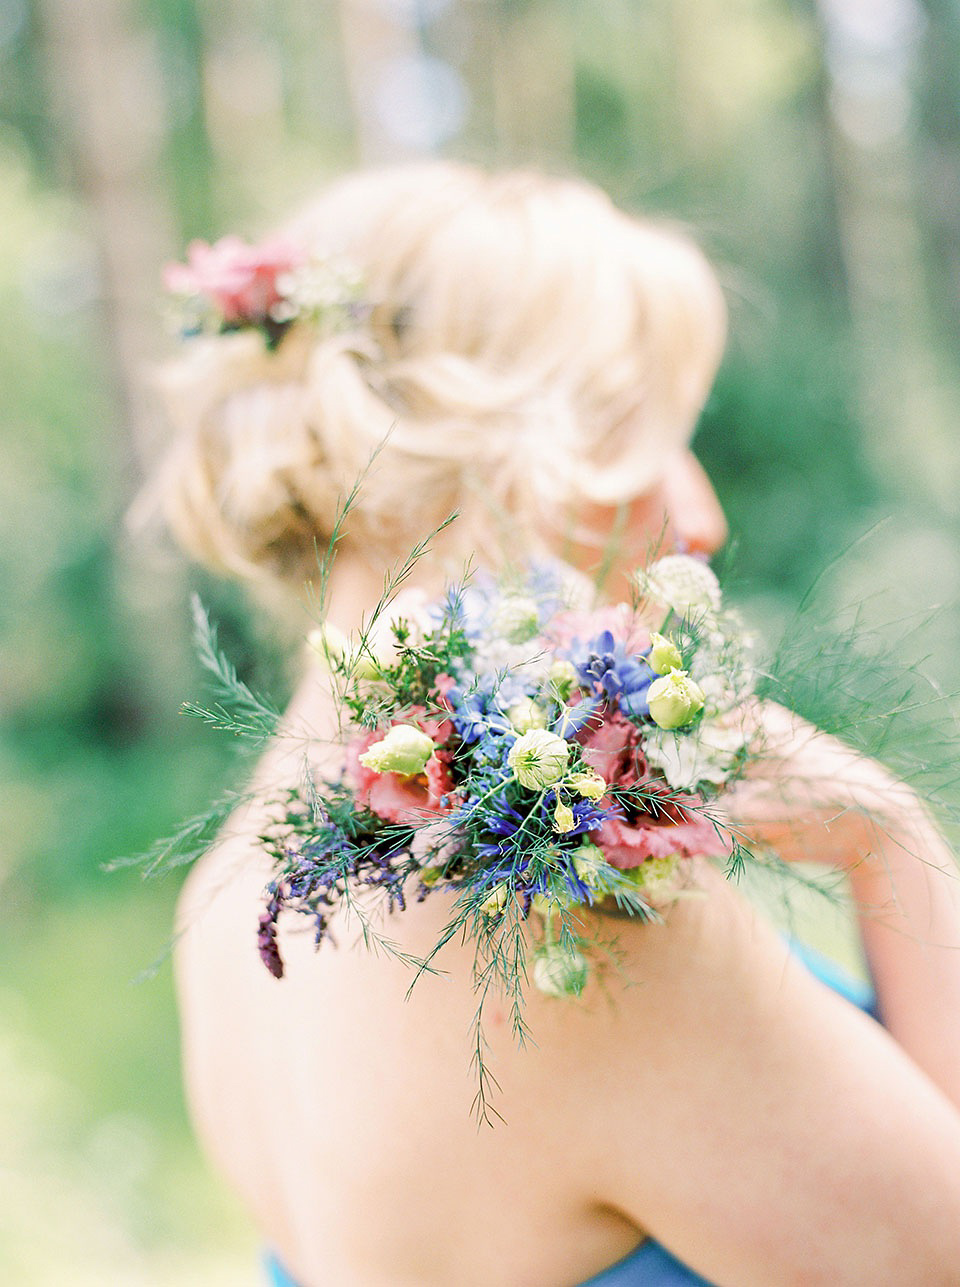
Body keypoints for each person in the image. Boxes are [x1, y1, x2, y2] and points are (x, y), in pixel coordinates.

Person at [151, 163, 960, 1285]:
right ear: (499, 456)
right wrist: (889, 838)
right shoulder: (559, 917)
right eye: (648, 436)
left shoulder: (234, 901)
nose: (701, 515)